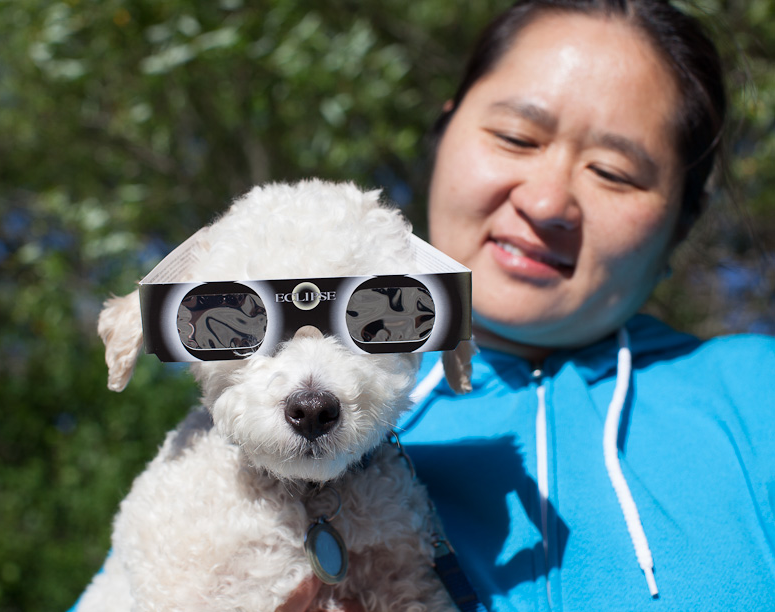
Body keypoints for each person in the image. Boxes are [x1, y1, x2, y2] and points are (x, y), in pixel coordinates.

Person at [287, 0, 775, 610]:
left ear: (682, 222)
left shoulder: (757, 396)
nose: (547, 204)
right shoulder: (294, 404)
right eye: (517, 137)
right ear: (444, 134)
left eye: (615, 172)